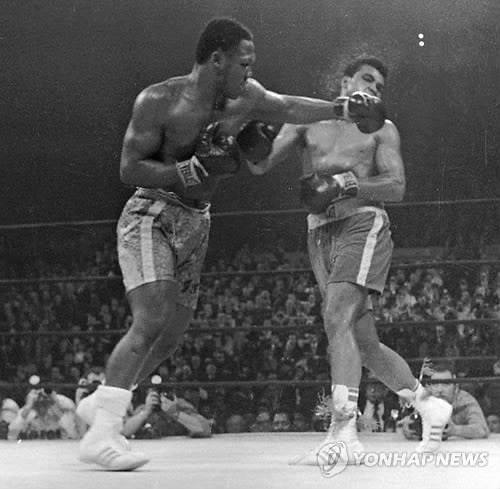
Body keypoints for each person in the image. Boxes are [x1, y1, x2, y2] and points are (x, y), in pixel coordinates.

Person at [79, 17, 383, 471]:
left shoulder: (247, 97)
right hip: (152, 212)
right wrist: (186, 170)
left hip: (197, 220)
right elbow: (130, 168)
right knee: (152, 316)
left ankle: (103, 402)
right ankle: (102, 432)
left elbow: (288, 107)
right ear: (217, 60)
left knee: (170, 335)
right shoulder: (159, 100)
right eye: (244, 62)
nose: (250, 70)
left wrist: (342, 109)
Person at [248, 55, 452, 464]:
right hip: (319, 232)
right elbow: (261, 163)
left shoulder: (382, 129)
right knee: (363, 342)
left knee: (336, 317)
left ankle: (343, 433)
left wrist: (347, 184)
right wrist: (247, 138)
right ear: (344, 82)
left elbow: (396, 186)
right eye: (367, 80)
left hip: (362, 223)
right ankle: (429, 405)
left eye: (379, 87)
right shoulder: (308, 121)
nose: (373, 89)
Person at [400, 360, 489, 440]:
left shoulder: (465, 401)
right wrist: (408, 427)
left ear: (456, 386)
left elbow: (482, 430)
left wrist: (455, 430)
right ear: (429, 386)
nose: (440, 389)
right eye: (435, 384)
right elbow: (410, 420)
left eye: (445, 384)